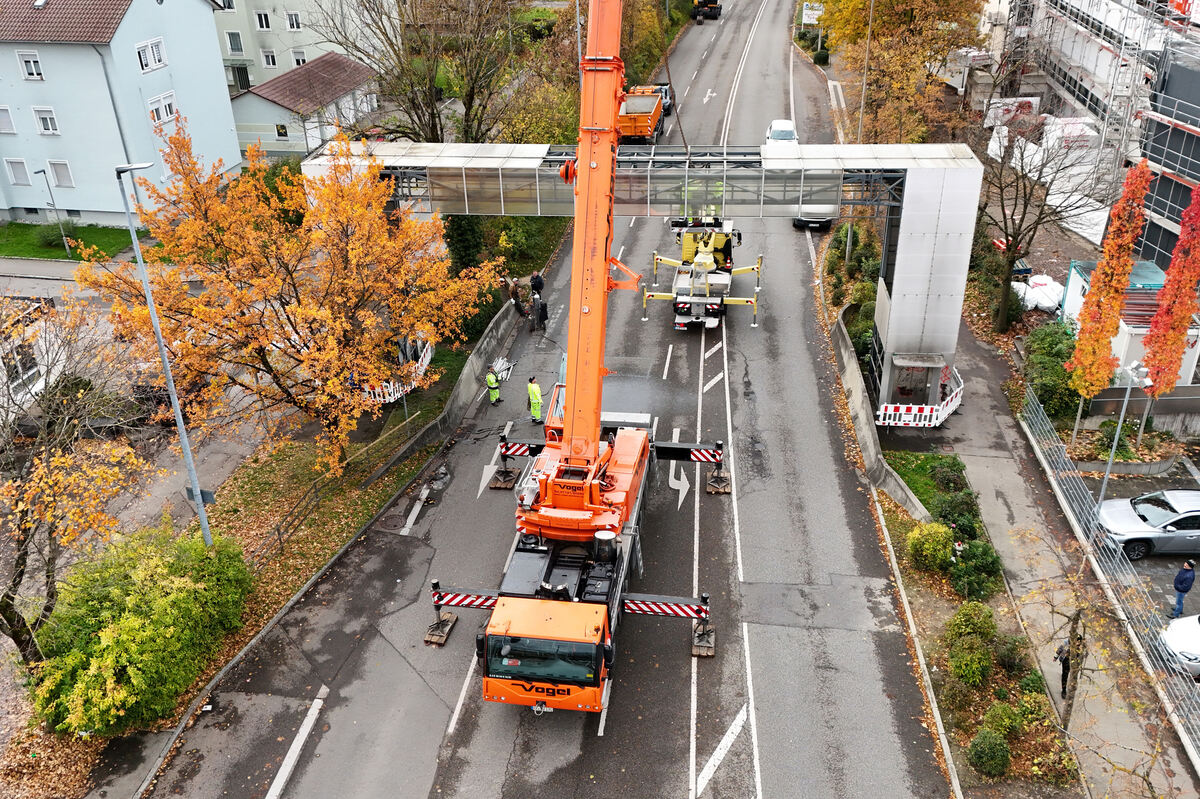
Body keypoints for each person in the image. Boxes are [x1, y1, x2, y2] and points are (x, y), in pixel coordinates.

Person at [1053, 635, 1082, 699]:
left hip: (1074, 662)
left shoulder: (1080, 647)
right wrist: (1055, 657)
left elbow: (1081, 656)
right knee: (1065, 675)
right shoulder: (1066, 642)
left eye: (1079, 642)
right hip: (1065, 660)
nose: (1078, 643)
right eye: (1077, 642)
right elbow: (1059, 649)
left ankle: (1071, 688)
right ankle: (1063, 690)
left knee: (1072, 676)